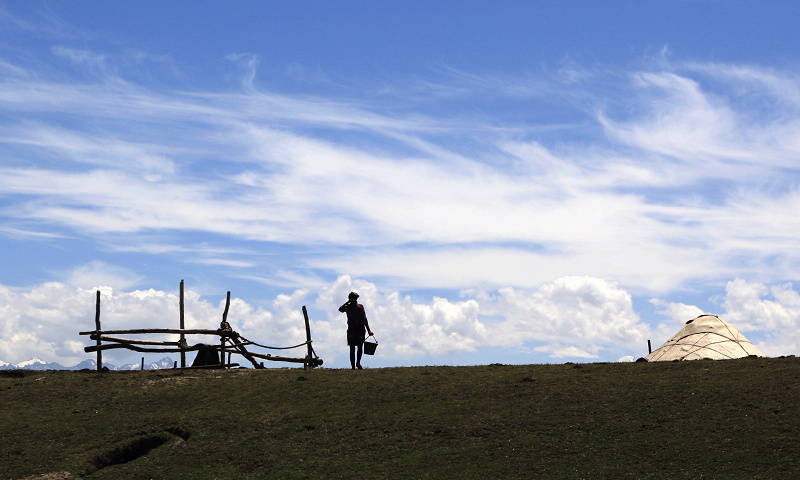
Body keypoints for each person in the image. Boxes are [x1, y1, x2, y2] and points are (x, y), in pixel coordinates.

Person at [338, 291, 373, 370]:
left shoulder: (347, 307)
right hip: (360, 329)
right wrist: (369, 330)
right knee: (360, 347)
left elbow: (340, 309)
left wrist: (347, 302)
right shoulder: (360, 307)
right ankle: (358, 363)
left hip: (352, 329)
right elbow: (364, 319)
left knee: (352, 348)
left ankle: (353, 366)